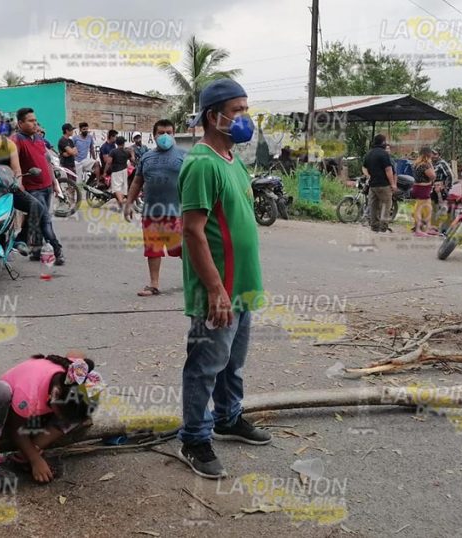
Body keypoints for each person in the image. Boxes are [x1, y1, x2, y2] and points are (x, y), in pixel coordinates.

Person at [177, 79, 271, 479]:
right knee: (205, 366)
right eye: (238, 110)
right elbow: (192, 231)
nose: (245, 118)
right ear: (213, 116)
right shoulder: (202, 164)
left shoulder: (232, 160)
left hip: (243, 286)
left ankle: (228, 417)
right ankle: (194, 438)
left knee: (233, 363)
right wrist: (215, 290)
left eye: (246, 109)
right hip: (219, 290)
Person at [0, 354, 101, 484]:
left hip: (39, 411)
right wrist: (35, 459)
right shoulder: (28, 394)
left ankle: (24, 455)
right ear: (55, 394)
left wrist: (33, 456)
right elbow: (17, 430)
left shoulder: (75, 375)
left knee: (75, 416)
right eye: (62, 415)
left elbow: (77, 356)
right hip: (11, 413)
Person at [0, 110, 60, 259]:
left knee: (37, 207)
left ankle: (20, 239)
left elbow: (16, 169)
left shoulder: (9, 145)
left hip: (6, 189)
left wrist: (18, 183)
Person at [124, 119, 186, 296]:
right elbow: (137, 182)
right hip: (151, 213)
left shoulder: (185, 156)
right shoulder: (146, 157)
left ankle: (198, 278)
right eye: (161, 133)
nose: (165, 136)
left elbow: (194, 182)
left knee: (182, 249)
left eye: (169, 132)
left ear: (174, 134)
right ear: (154, 135)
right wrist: (129, 203)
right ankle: (154, 284)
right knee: (153, 249)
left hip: (177, 213)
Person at [13, 107, 66, 265]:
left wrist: (54, 183)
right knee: (45, 220)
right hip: (32, 189)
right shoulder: (17, 140)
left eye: (35, 120)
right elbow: (13, 162)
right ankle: (57, 250)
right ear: (20, 123)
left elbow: (47, 161)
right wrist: (18, 181)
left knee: (37, 219)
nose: (34, 123)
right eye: (30, 121)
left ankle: (36, 251)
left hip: (47, 186)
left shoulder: (38, 138)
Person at [364, 134, 396, 233]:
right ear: (383, 142)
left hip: (372, 185)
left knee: (373, 206)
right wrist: (393, 184)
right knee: (386, 205)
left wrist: (368, 176)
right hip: (383, 185)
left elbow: (364, 167)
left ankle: (374, 226)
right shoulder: (384, 154)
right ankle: (383, 227)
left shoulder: (369, 154)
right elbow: (388, 170)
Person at [410, 147, 437, 236]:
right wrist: (431, 165)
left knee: (428, 209)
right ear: (428, 154)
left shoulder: (416, 164)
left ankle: (427, 228)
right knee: (420, 209)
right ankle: (418, 230)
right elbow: (433, 176)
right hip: (423, 189)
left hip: (420, 188)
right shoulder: (425, 165)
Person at [104, 136, 131, 208]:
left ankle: (121, 201)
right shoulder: (126, 152)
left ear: (116, 143)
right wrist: (132, 152)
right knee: (122, 188)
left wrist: (105, 172)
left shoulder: (113, 151)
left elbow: (108, 162)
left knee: (116, 188)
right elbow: (132, 159)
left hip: (116, 172)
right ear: (123, 143)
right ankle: (120, 204)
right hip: (125, 171)